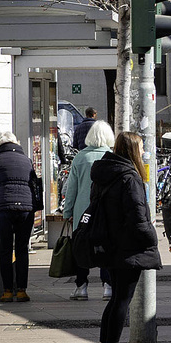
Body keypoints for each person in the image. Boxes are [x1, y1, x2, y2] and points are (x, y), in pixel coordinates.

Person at [84, 130, 159, 343]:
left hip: (108, 244)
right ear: (134, 151)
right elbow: (137, 217)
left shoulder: (104, 174)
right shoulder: (130, 178)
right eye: (141, 147)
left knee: (116, 298)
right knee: (122, 299)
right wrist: (151, 237)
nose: (144, 152)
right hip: (128, 247)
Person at [0, 132, 41, 303]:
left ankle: (6, 291)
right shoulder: (26, 160)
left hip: (4, 209)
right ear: (16, 142)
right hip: (26, 208)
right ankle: (21, 291)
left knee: (5, 249)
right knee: (22, 249)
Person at [61, 120, 114, 302]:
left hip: (82, 212)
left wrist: (67, 213)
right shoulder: (111, 156)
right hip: (106, 213)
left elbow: (71, 190)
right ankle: (108, 286)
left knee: (81, 249)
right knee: (105, 248)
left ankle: (81, 287)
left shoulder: (80, 158)